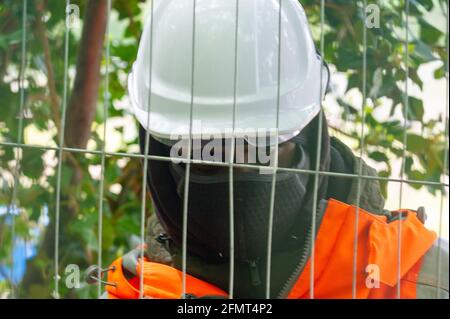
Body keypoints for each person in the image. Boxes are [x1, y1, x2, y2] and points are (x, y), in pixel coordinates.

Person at [101, 0, 448, 299]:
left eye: (264, 149)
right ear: (159, 159)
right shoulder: (136, 291)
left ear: (311, 133)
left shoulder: (428, 280)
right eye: (206, 158)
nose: (239, 171)